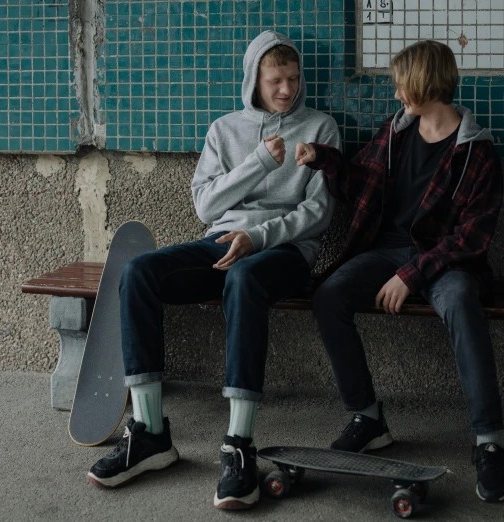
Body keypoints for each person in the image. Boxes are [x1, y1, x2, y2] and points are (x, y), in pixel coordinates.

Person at [86, 31, 341, 511]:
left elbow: (319, 213)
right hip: (220, 242)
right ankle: (150, 434)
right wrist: (260, 161)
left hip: (284, 252)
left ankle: (238, 444)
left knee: (245, 278)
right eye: (274, 81)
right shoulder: (224, 130)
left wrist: (258, 238)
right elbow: (206, 205)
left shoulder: (320, 127)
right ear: (254, 80)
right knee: (139, 273)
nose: (286, 90)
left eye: (293, 78)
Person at [296, 40, 504, 502]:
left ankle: (489, 442)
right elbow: (358, 184)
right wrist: (323, 159)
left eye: (400, 84)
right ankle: (368, 417)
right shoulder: (395, 134)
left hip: (445, 262)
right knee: (329, 296)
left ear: (423, 83)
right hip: (386, 251)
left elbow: (472, 238)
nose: (396, 94)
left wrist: (412, 274)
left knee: (459, 300)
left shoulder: (476, 153)